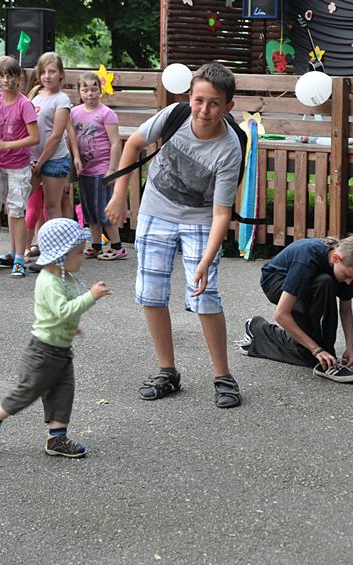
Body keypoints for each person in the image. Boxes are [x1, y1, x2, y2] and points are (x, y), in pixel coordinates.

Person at [105, 62, 244, 408]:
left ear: (228, 106)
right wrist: (119, 195)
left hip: (199, 220)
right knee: (151, 294)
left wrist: (207, 260)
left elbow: (221, 214)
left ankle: (223, 376)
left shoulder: (229, 148)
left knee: (205, 295)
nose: (204, 110)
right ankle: (167, 371)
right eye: (199, 100)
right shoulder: (176, 115)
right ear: (189, 97)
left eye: (214, 104)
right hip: (156, 212)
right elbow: (133, 144)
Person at [0, 218, 112, 458]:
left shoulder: (64, 277)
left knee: (63, 391)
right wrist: (91, 296)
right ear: (61, 255)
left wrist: (69, 328)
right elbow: (63, 310)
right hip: (43, 352)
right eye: (78, 253)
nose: (82, 257)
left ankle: (57, 438)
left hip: (60, 349)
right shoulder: (50, 281)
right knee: (27, 392)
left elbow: (59, 314)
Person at [235, 235, 353, 383]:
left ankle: (325, 356)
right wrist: (316, 350)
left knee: (308, 349)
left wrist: (349, 347)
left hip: (312, 282)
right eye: (347, 276)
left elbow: (345, 310)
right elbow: (281, 315)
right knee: (325, 283)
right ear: (336, 258)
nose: (349, 282)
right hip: (277, 282)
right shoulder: (307, 259)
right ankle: (258, 329)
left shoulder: (346, 265)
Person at [0, 57, 40, 277]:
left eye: (11, 76)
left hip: (18, 165)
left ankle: (19, 257)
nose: (6, 80)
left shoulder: (24, 104)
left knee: (16, 212)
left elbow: (34, 137)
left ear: (19, 79)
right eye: (2, 76)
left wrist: (6, 144)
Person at [70, 71, 126, 260]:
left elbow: (116, 142)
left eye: (94, 89)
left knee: (104, 210)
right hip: (84, 169)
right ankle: (96, 245)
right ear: (79, 92)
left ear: (100, 91)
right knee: (89, 210)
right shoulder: (74, 113)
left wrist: (112, 169)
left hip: (102, 169)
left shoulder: (106, 114)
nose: (90, 94)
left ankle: (117, 247)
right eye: (85, 90)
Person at [28, 52, 73, 223]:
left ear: (61, 74)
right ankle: (24, 247)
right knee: (22, 203)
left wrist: (40, 163)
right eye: (44, 72)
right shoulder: (35, 95)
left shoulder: (62, 99)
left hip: (53, 159)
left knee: (52, 207)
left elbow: (55, 136)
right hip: (32, 159)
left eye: (52, 71)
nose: (47, 76)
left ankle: (58, 249)